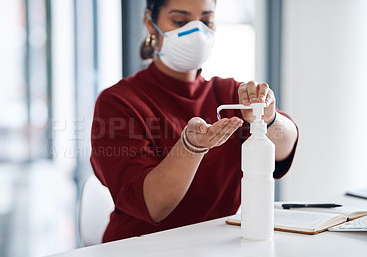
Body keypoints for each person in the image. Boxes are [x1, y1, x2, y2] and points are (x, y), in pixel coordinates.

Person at [90, 0, 298, 243]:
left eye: (206, 21)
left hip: (215, 251)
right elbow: (153, 206)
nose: (196, 32)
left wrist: (269, 118)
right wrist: (190, 147)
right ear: (150, 22)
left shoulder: (230, 95)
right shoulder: (118, 103)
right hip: (138, 252)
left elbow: (285, 148)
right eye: (180, 21)